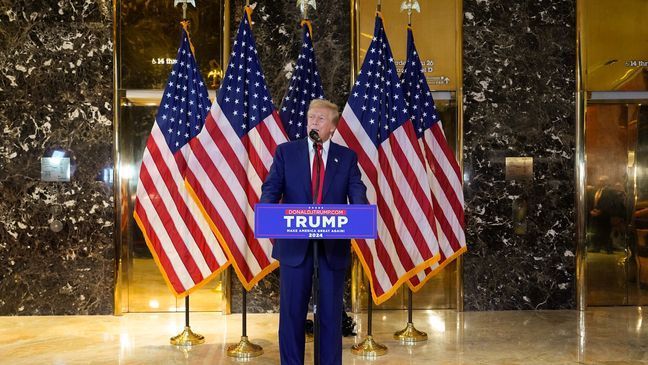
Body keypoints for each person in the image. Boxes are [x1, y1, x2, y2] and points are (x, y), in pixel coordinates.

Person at [260, 99, 368, 365]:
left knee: (330, 316)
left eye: (321, 119)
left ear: (332, 127)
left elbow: (356, 190)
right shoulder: (286, 152)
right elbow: (272, 188)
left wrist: (361, 212)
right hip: (295, 248)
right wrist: (267, 211)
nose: (314, 122)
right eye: (311, 117)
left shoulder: (346, 157)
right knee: (292, 315)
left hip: (331, 249)